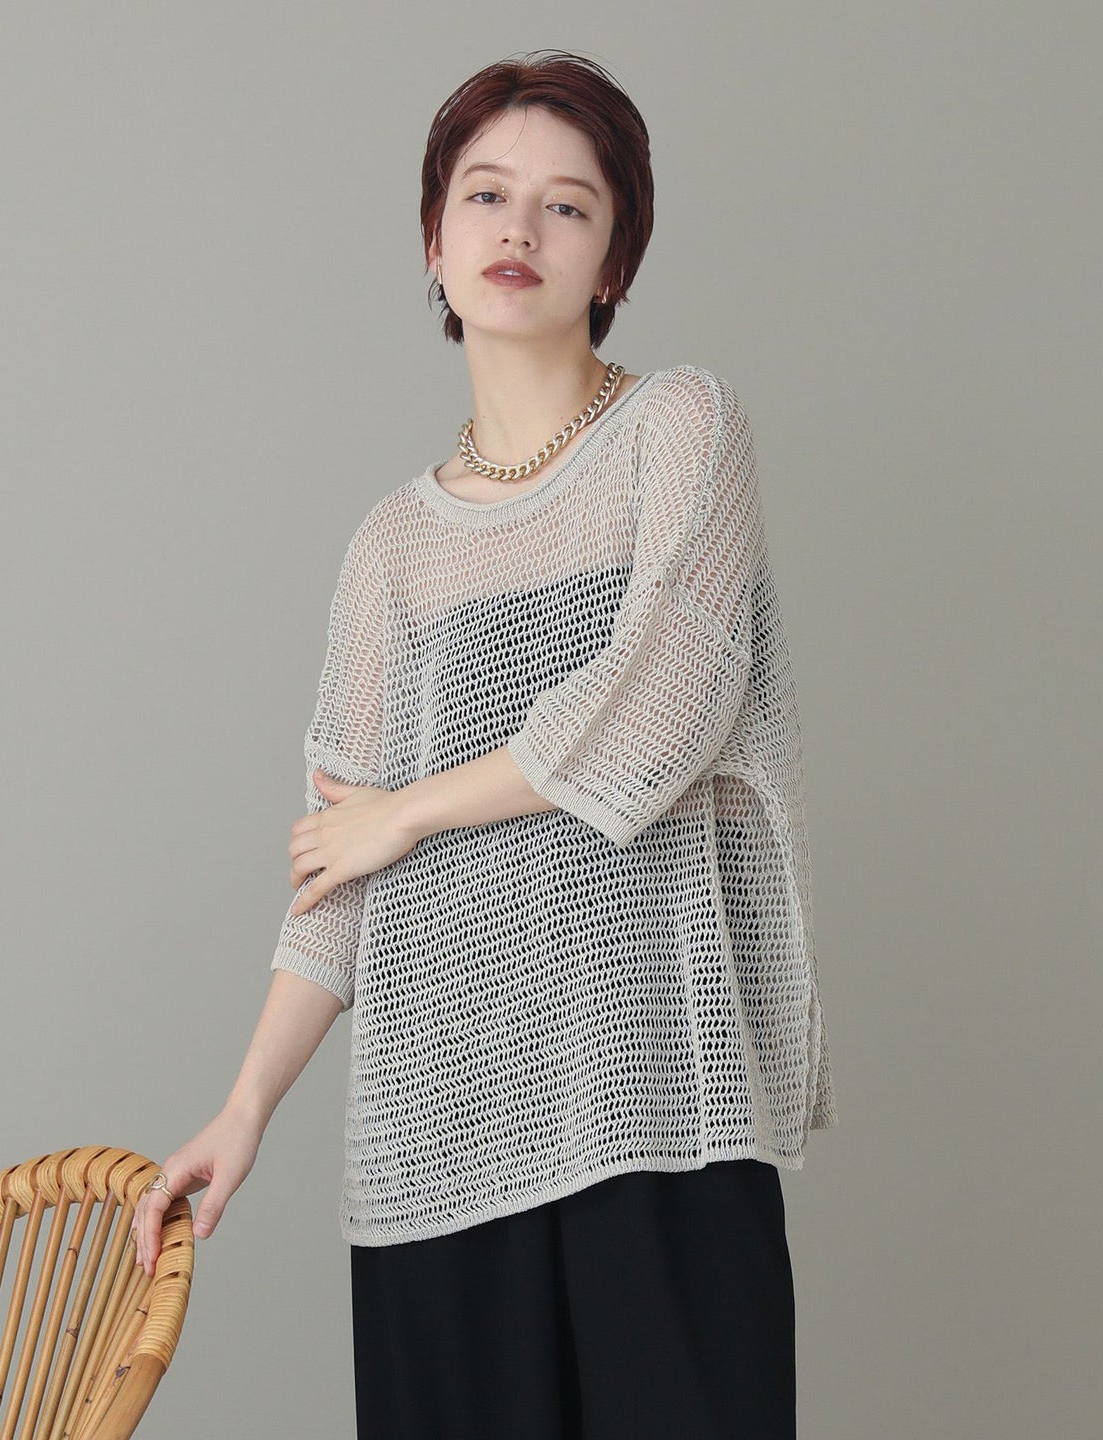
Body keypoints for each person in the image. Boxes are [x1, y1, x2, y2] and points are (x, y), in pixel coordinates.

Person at [131, 49, 837, 1439]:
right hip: (434, 1133)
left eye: (569, 206)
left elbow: (670, 695)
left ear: (616, 257)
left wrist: (409, 809)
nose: (521, 229)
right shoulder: (392, 547)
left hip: (651, 1095)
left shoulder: (682, 427)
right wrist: (245, 1108)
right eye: (486, 194)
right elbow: (340, 875)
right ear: (434, 241)